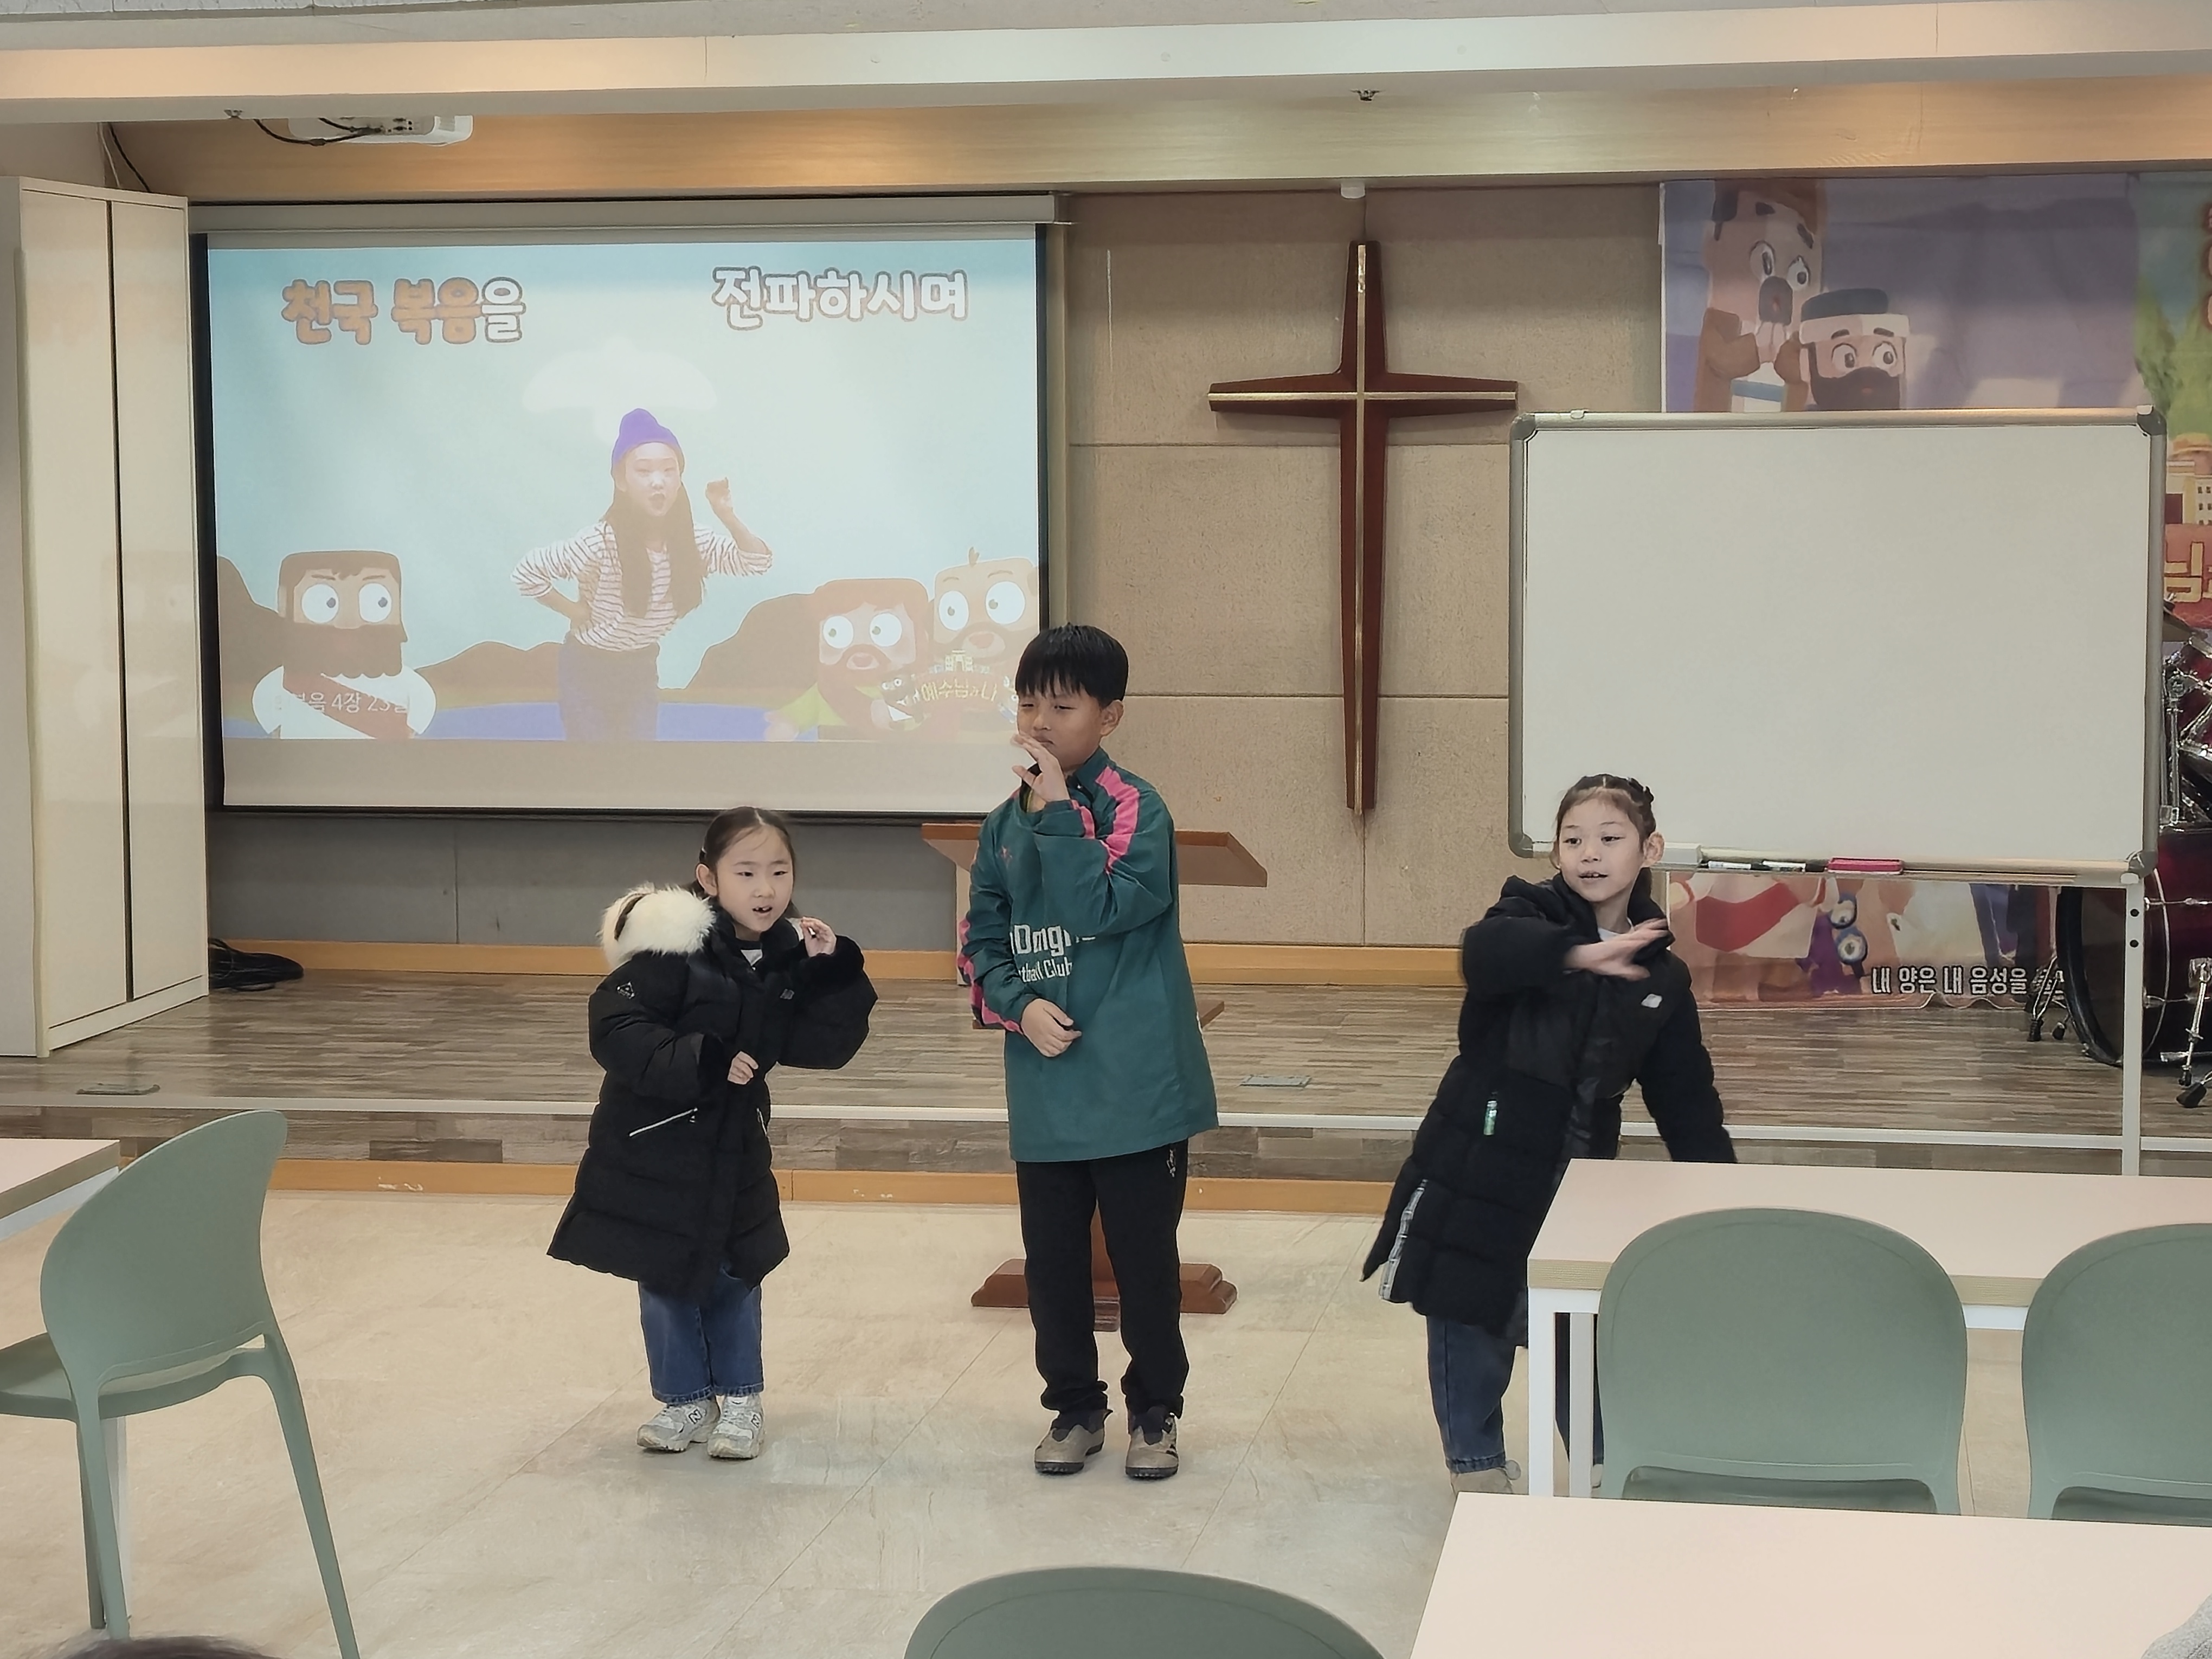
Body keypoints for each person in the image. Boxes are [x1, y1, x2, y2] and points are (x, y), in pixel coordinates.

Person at [1362, 774, 1736, 1494]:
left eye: (1610, 838)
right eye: (1573, 840)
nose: (1590, 854)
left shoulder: (1662, 975)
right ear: (1556, 853)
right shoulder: (1525, 914)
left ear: (1650, 849)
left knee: (1576, 1317)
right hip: (1482, 1154)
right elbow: (1486, 952)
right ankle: (1475, 1466)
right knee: (1470, 1310)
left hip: (1579, 1169)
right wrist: (1578, 954)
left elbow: (1686, 1099)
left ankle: (1600, 1462)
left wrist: (1726, 1194)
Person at [959, 625, 1218, 1481]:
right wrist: (1020, 1006)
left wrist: (1061, 810)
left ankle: (1155, 1413)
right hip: (1048, 1090)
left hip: (1138, 1088)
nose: (1039, 722)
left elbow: (1099, 908)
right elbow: (980, 942)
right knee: (1055, 1272)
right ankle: (1074, 1409)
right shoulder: (999, 827)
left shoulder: (1137, 809)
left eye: (1062, 706)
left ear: (1110, 717)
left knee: (1146, 1271)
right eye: (1028, 703)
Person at [548, 806, 875, 1459]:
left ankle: (743, 1398)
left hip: (735, 1143)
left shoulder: (786, 954)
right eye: (746, 872)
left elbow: (824, 1045)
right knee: (664, 1272)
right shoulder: (672, 947)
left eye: (779, 872)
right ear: (708, 878)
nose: (765, 889)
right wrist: (703, 1058)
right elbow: (615, 1026)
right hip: (657, 1143)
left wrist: (830, 973)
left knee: (736, 1268)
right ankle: (684, 1400)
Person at [512, 408, 775, 741]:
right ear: (621, 481)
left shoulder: (692, 541)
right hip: (587, 668)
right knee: (590, 759)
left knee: (639, 758)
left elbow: (756, 562)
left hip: (640, 667)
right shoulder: (600, 542)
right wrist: (575, 612)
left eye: (669, 470)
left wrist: (727, 515)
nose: (658, 481)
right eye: (644, 471)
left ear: (679, 480)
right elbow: (528, 573)